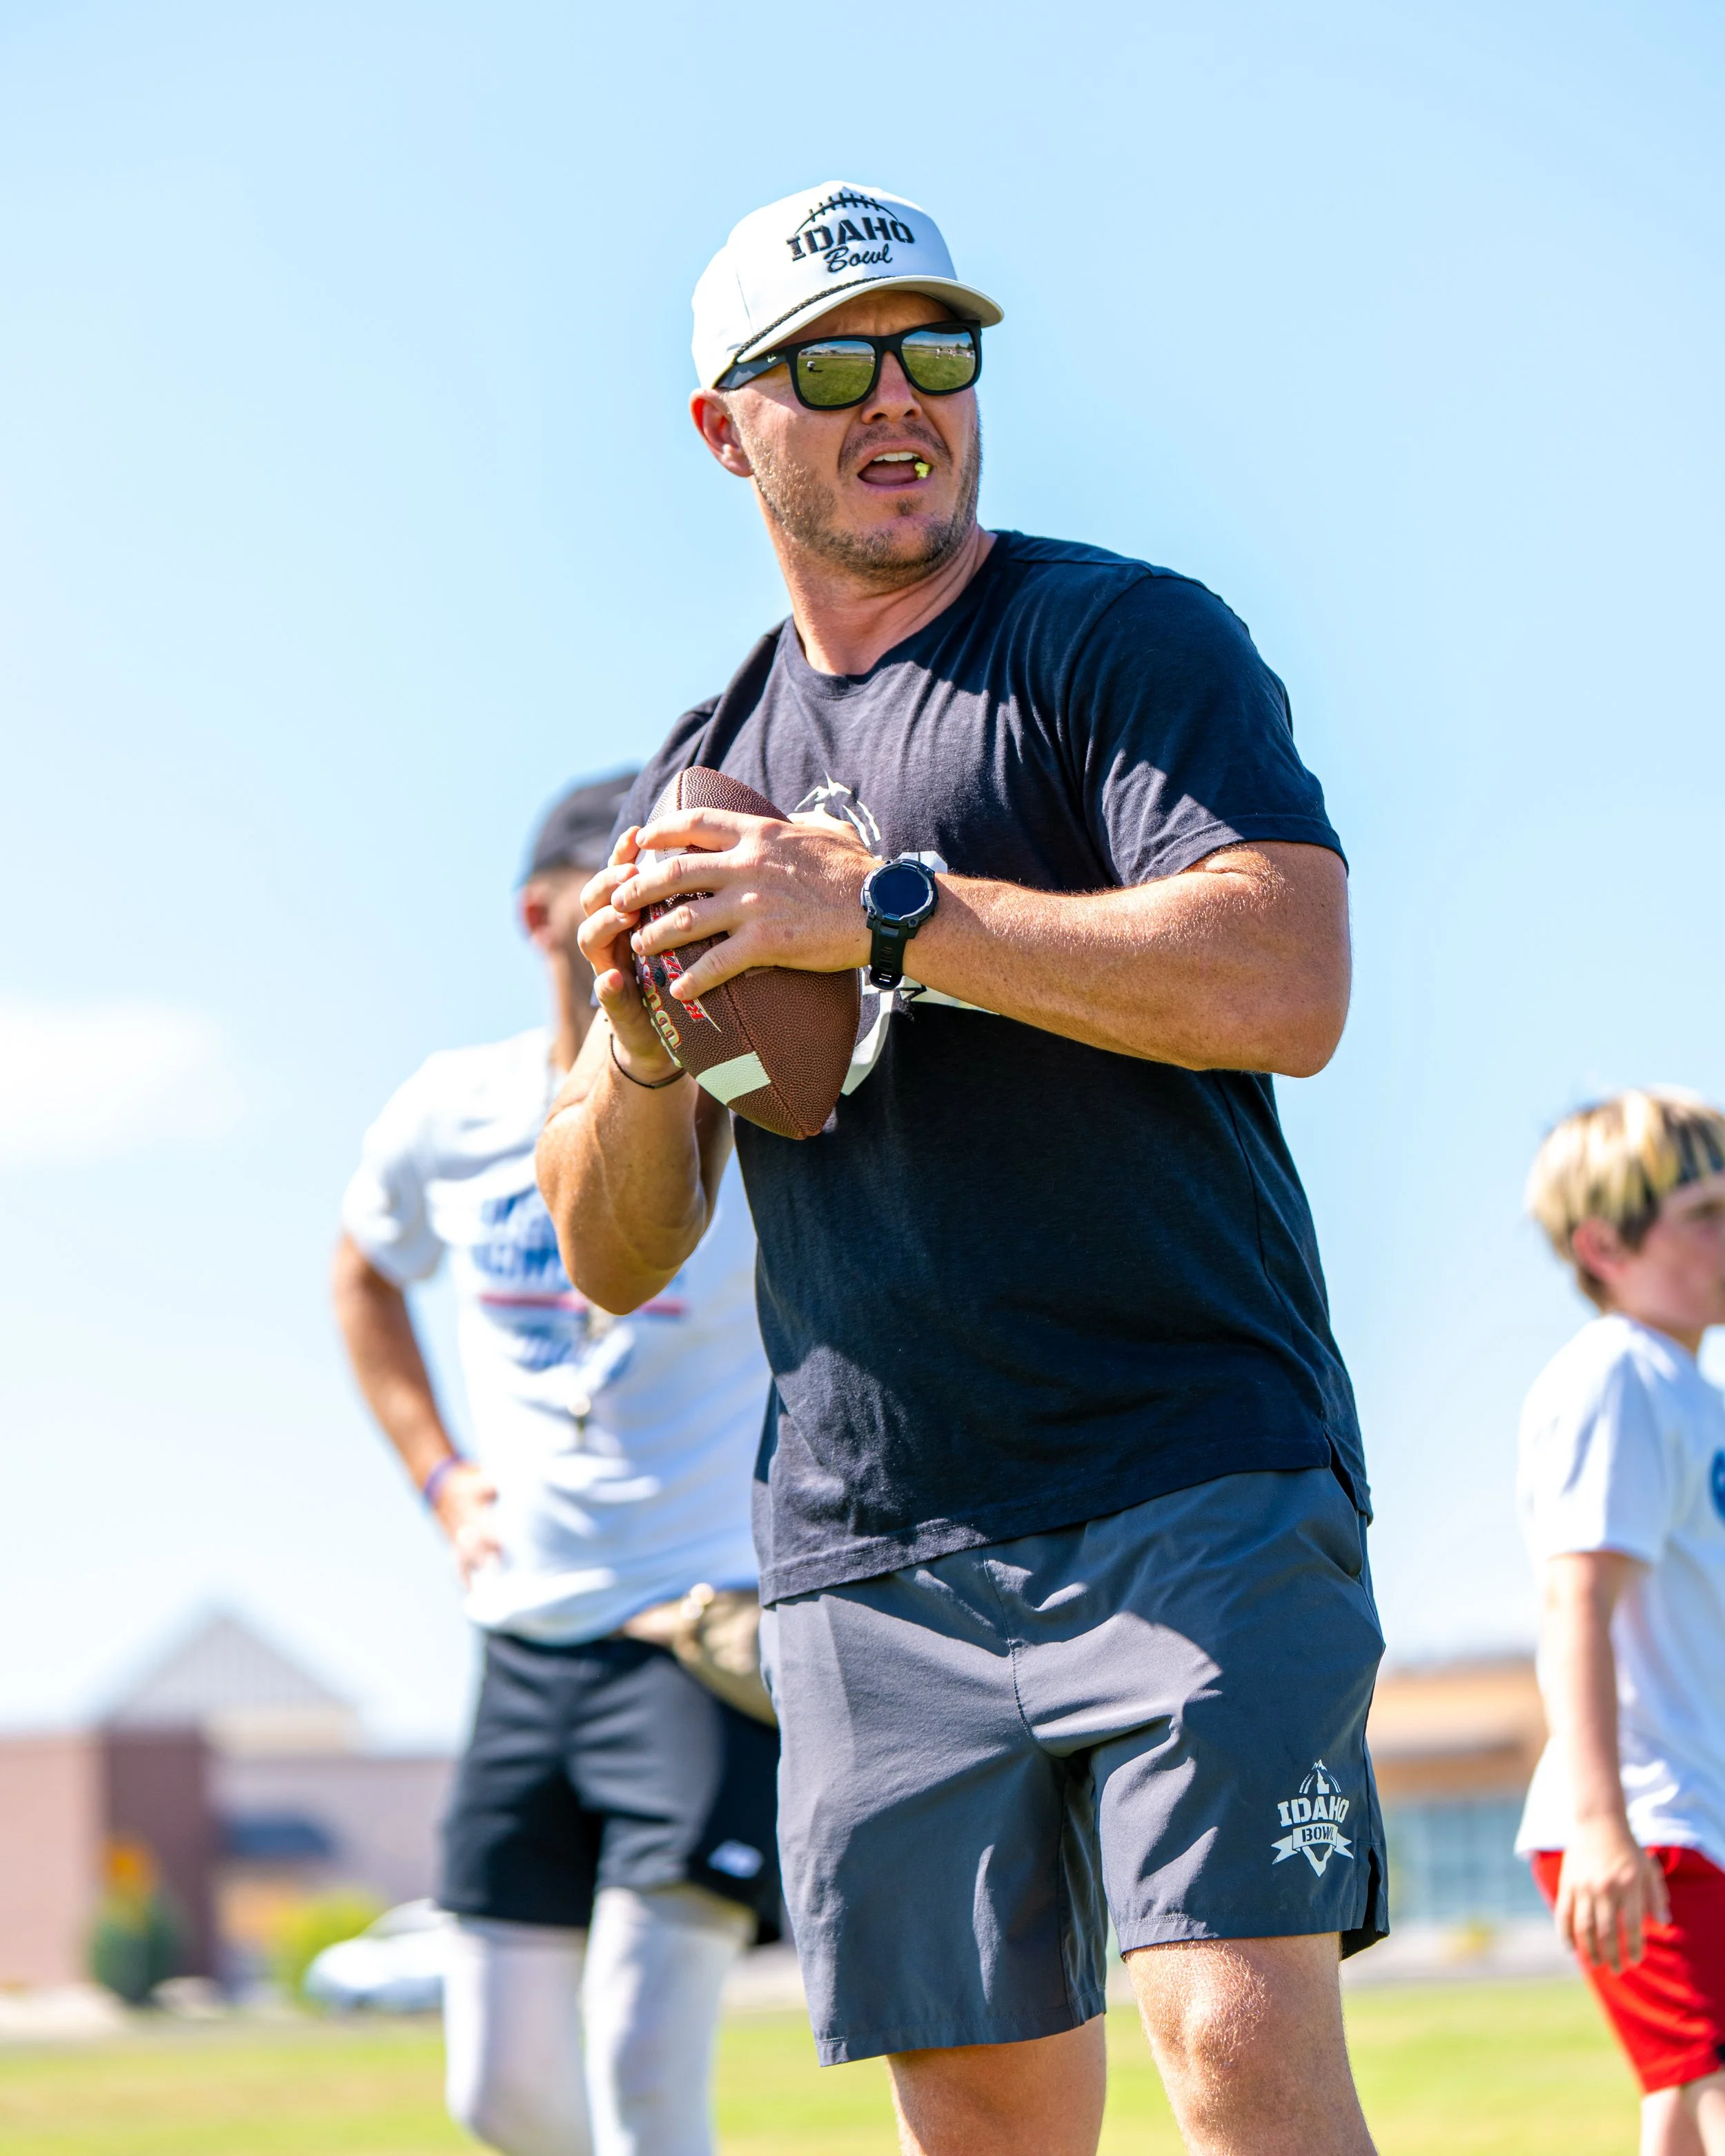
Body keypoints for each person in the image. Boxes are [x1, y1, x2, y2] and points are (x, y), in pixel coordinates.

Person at [537, 181, 1387, 2156]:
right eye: (830, 363)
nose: (897, 394)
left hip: (1190, 1478)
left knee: (1238, 2061)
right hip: (874, 1542)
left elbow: (1286, 973)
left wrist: (890, 912)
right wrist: (642, 1048)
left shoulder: (1118, 639)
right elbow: (612, 1241)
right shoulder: (701, 774)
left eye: (939, 349)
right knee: (990, 2135)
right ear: (723, 427)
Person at [333, 773, 778, 2156]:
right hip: (522, 1637)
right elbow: (362, 1271)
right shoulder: (451, 1106)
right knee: (501, 2095)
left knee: (645, 2067)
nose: (650, 927)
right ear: (542, 916)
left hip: (696, 1630)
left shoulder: (746, 1091)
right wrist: (440, 1475)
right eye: (623, 897)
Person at [1516, 1089, 1725, 2156]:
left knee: (1685, 2100)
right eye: (1706, 1211)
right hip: (1646, 1820)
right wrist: (1604, 1823)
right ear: (1604, 1243)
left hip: (1693, 1813)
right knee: (1707, 2091)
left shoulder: (1691, 1389)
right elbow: (1577, 1601)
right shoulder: (1617, 1378)